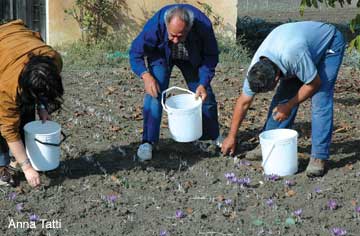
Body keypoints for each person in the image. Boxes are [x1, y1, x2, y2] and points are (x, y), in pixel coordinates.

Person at [221, 21, 345, 177]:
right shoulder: (255, 67)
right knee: (283, 97)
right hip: (298, 47)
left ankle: (319, 156)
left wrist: (289, 105)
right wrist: (231, 136)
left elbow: (314, 83)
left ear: (277, 77)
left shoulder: (293, 55)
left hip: (329, 44)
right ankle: (268, 144)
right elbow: (244, 102)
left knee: (320, 98)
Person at [129, 4, 222, 161]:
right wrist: (146, 75)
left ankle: (211, 136)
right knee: (154, 94)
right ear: (166, 25)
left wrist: (203, 82)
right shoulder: (155, 25)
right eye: (172, 35)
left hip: (191, 57)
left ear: (190, 27)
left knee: (204, 97)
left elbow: (211, 56)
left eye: (181, 35)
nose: (176, 40)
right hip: (161, 56)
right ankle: (148, 142)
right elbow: (135, 53)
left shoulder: (203, 26)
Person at [0, 19, 64, 187]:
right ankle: (2, 166)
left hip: (15, 37)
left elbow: (44, 88)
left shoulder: (53, 59)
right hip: (3, 55)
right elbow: (8, 129)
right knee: (4, 122)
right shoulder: (7, 88)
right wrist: (27, 168)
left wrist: (43, 106)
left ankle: (20, 156)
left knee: (26, 107)